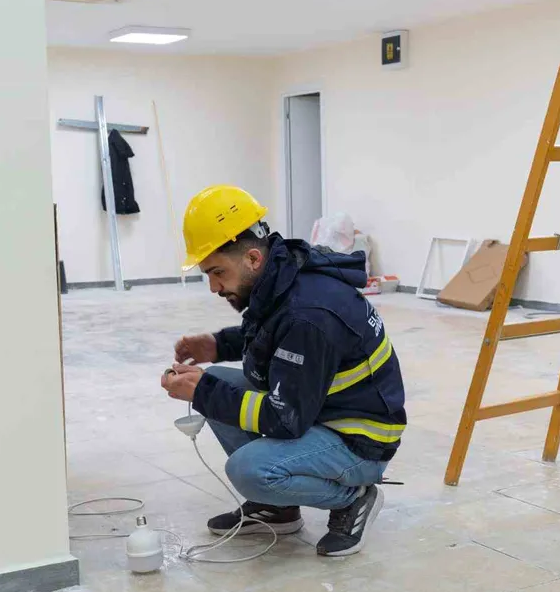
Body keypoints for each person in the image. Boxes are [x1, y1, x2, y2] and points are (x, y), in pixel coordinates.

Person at [160, 185, 406, 556]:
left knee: (248, 469)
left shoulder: (309, 315)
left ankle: (353, 499)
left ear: (252, 258)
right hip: (325, 409)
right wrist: (218, 345)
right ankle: (278, 507)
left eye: (217, 272)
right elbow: (273, 334)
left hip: (359, 439)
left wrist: (203, 392)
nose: (213, 287)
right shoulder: (284, 275)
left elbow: (285, 419)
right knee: (219, 383)